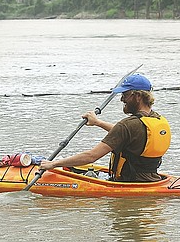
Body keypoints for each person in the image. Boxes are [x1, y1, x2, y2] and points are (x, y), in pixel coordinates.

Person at [39, 74, 171, 182]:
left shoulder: (128, 125)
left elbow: (91, 156)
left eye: (125, 94)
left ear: (137, 96)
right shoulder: (157, 120)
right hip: (153, 180)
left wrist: (54, 164)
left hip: (128, 182)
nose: (122, 99)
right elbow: (126, 133)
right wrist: (98, 122)